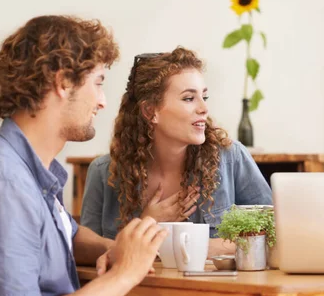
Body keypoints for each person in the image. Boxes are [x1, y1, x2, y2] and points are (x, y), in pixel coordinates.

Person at [0, 15, 167, 296]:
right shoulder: (5, 182)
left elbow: (67, 233)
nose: (103, 102)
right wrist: (124, 275)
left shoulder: (29, 171)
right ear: (63, 82)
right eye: (98, 83)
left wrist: (117, 248)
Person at [81, 47, 272, 257]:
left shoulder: (231, 158)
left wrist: (193, 246)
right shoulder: (102, 173)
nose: (204, 109)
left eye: (204, 97)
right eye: (189, 98)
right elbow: (87, 256)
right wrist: (147, 224)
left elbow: (274, 236)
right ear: (150, 111)